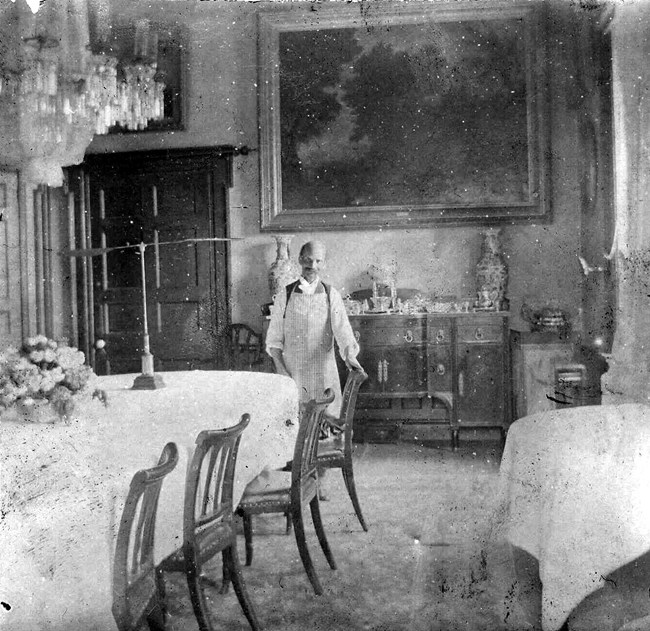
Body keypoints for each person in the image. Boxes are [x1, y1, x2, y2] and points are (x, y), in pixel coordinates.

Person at [265, 240, 363, 418]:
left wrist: (350, 357)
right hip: (293, 373)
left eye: (318, 261)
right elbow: (274, 340)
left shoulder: (330, 294)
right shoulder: (284, 295)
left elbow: (344, 333)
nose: (312, 265)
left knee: (325, 422)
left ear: (324, 264)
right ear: (300, 260)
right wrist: (281, 369)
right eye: (308, 260)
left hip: (323, 374)